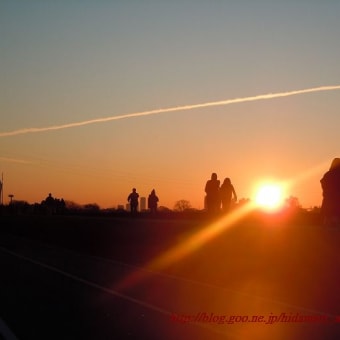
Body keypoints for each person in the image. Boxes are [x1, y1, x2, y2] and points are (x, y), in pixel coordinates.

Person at [320, 158, 340, 227]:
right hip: (337, 205)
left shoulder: (327, 175)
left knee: (327, 225)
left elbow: (323, 185)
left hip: (327, 205)